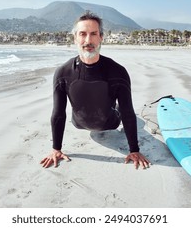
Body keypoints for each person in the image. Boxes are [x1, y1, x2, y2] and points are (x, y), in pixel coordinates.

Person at [40, 11, 150, 169]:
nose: (88, 40)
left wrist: (134, 150)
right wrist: (56, 149)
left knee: (120, 110)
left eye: (93, 34)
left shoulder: (117, 72)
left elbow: (127, 112)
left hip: (111, 123)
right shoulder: (63, 72)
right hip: (78, 123)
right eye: (82, 34)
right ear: (75, 38)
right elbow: (58, 113)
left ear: (101, 37)